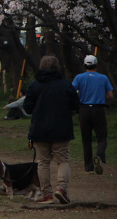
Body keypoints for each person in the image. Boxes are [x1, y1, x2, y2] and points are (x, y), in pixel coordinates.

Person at [23, 55, 80, 205]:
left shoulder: (34, 85)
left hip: (39, 130)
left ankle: (46, 194)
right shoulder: (66, 85)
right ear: (57, 67)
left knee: (43, 162)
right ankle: (61, 188)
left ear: (41, 67)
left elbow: (27, 108)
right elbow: (76, 104)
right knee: (63, 160)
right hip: (61, 129)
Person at [72, 55, 114, 174]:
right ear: (96, 65)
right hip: (98, 109)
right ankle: (99, 156)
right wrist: (102, 97)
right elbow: (110, 95)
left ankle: (88, 166)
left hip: (84, 110)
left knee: (86, 138)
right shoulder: (103, 78)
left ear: (85, 65)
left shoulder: (79, 77)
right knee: (101, 136)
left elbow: (72, 91)